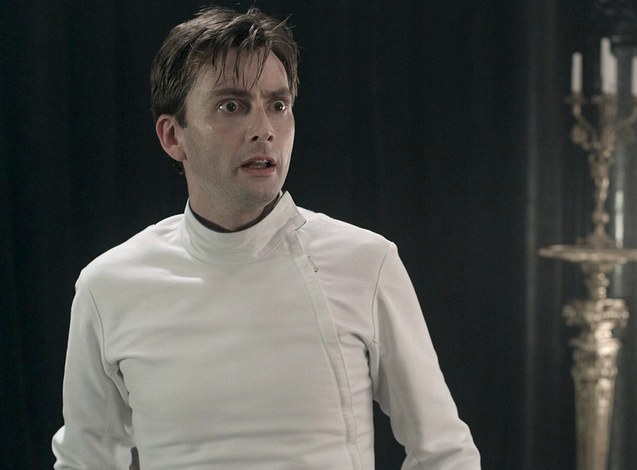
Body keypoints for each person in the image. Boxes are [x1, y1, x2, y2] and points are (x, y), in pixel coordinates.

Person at [51, 6, 480, 469]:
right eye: (231, 106)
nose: (264, 130)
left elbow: (444, 453)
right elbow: (83, 461)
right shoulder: (109, 286)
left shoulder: (365, 263)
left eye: (278, 105)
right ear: (173, 136)